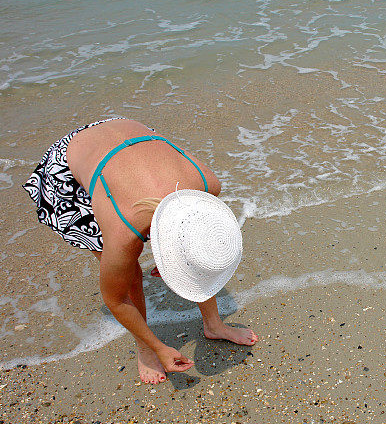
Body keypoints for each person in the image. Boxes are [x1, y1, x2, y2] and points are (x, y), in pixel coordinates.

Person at [23, 118, 258, 384]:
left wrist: (177, 260)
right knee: (129, 273)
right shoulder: (123, 231)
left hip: (124, 135)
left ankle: (213, 325)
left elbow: (196, 241)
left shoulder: (207, 185)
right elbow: (116, 299)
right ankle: (145, 348)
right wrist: (158, 347)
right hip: (69, 163)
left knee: (199, 257)